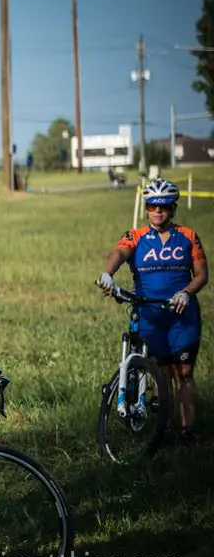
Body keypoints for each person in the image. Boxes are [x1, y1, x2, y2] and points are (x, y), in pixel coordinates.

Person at [98, 178, 207, 443]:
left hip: (182, 315)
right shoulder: (133, 236)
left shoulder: (189, 236)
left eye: (165, 206)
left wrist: (186, 292)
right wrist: (108, 274)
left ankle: (187, 432)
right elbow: (120, 254)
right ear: (146, 208)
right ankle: (164, 429)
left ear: (173, 208)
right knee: (162, 374)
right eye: (153, 206)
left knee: (184, 373)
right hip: (150, 316)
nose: (158, 211)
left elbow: (202, 274)